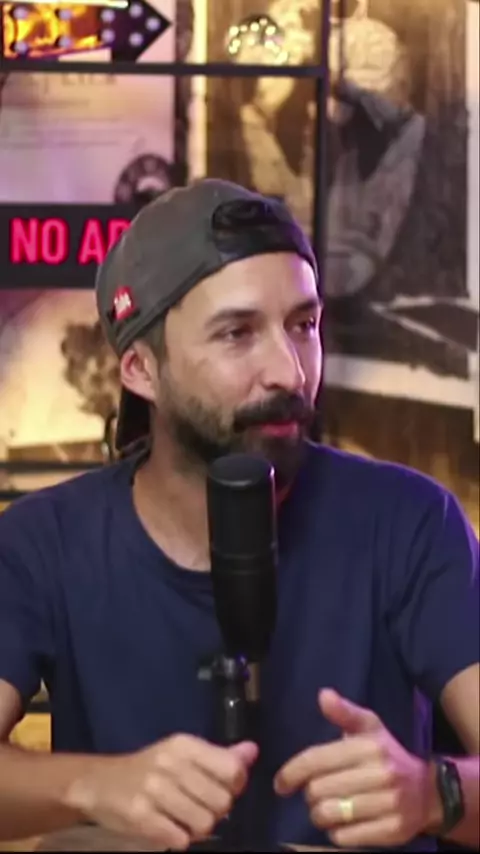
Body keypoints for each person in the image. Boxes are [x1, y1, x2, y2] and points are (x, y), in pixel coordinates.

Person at [0, 179, 478, 853]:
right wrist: (92, 785)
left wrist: (434, 793)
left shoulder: (411, 523)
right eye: (237, 333)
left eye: (303, 325)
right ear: (140, 369)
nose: (289, 371)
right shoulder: (43, 543)